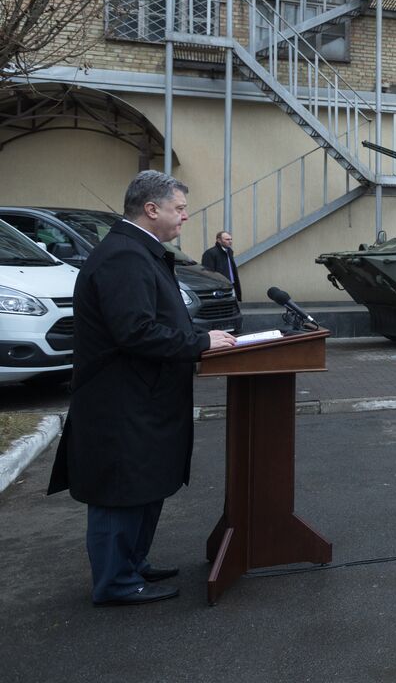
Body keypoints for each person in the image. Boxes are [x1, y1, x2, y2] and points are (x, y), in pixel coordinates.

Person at [47, 171, 237, 606]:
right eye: (179, 209)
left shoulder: (138, 251)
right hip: (120, 400)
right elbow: (134, 331)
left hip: (141, 396)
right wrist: (199, 342)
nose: (185, 217)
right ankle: (115, 581)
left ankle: (133, 564)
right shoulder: (124, 257)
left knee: (144, 485)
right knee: (121, 490)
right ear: (151, 209)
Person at [200, 230, 242, 301]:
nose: (230, 241)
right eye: (227, 239)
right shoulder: (210, 253)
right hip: (219, 288)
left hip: (231, 285)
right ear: (219, 240)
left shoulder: (229, 251)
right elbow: (208, 273)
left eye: (231, 239)